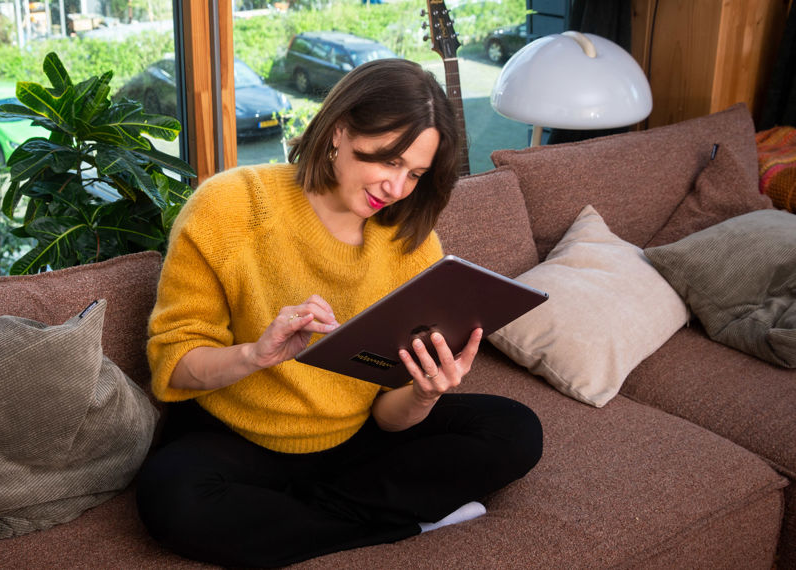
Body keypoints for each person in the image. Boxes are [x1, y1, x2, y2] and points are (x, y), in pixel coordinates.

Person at [136, 58, 543, 568]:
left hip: (353, 436)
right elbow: (172, 365)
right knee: (171, 499)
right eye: (387, 161)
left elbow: (389, 419)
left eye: (415, 173)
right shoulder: (230, 207)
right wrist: (254, 354)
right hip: (237, 436)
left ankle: (310, 519)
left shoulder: (412, 244)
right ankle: (402, 522)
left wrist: (422, 394)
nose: (396, 188)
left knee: (515, 429)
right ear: (339, 131)